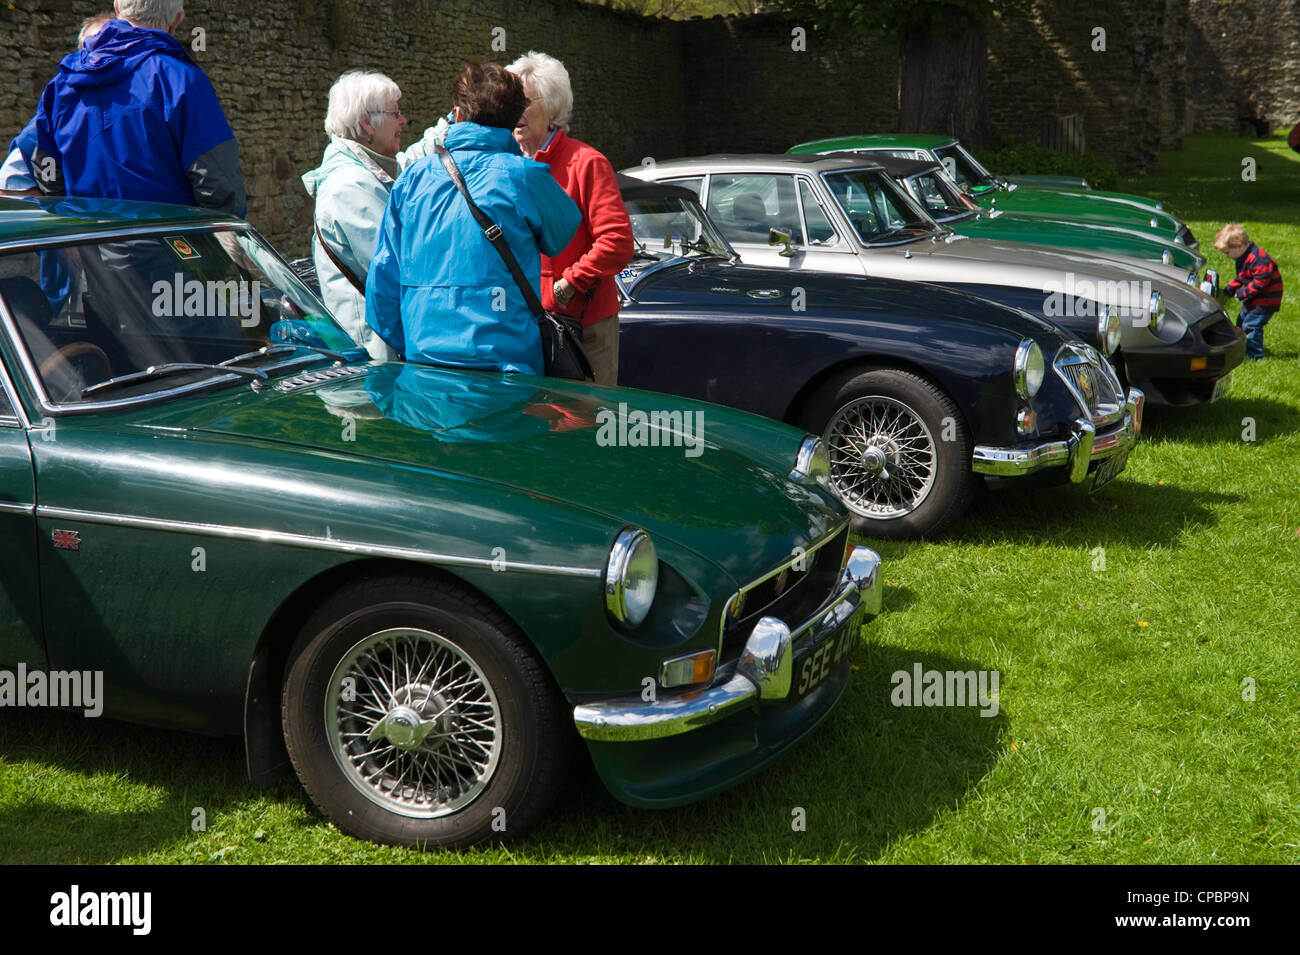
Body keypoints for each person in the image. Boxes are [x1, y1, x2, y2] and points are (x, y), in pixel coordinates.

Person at [365, 63, 581, 376]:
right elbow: (562, 234)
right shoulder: (525, 176)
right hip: (507, 370)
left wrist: (417, 344)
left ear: (458, 114)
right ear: (514, 119)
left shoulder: (411, 178)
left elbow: (382, 288)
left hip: (426, 369)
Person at [30, 0, 245, 215]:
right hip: (165, 240)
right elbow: (217, 182)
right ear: (177, 20)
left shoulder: (61, 84)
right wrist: (221, 240)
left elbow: (47, 165)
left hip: (89, 240)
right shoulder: (181, 80)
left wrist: (67, 219)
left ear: (116, 9)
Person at [507, 51, 633, 386]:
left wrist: (569, 284)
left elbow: (617, 243)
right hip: (525, 327)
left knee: (584, 426)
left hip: (582, 328)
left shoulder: (587, 163)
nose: (514, 112)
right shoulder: (505, 164)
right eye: (510, 103)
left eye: (524, 102)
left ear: (551, 108)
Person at [302, 70, 409, 361]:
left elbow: (408, 160)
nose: (403, 121)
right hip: (372, 360)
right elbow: (397, 269)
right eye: (395, 113)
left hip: (376, 351)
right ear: (366, 122)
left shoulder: (363, 173)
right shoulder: (351, 186)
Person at [1, 13, 113, 193]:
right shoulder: (58, 107)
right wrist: (52, 206)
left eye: (109, 48)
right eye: (91, 48)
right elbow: (10, 183)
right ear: (80, 56)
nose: (99, 60)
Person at [1214, 223, 1283, 360]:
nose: (1227, 256)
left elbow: (1261, 283)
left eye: (1227, 252)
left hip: (1265, 301)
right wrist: (1231, 287)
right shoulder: (1244, 257)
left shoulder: (1259, 259)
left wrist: (1242, 293)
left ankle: (1254, 355)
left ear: (1239, 246)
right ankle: (1241, 347)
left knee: (1251, 325)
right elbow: (1243, 276)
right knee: (1241, 322)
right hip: (1254, 300)